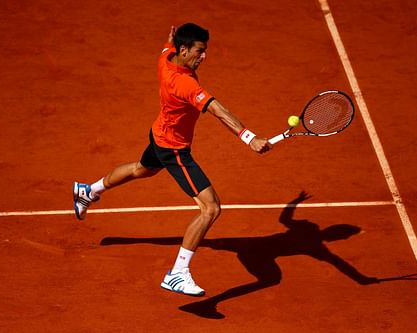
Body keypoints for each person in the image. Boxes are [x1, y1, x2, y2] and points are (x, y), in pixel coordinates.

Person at [72, 23, 272, 296]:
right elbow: (218, 111)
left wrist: (171, 39)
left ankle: (88, 191)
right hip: (174, 149)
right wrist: (249, 137)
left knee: (140, 170)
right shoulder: (185, 83)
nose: (203, 57)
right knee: (210, 208)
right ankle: (178, 272)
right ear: (184, 49)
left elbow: (167, 44)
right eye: (199, 51)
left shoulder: (166, 58)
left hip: (159, 133)